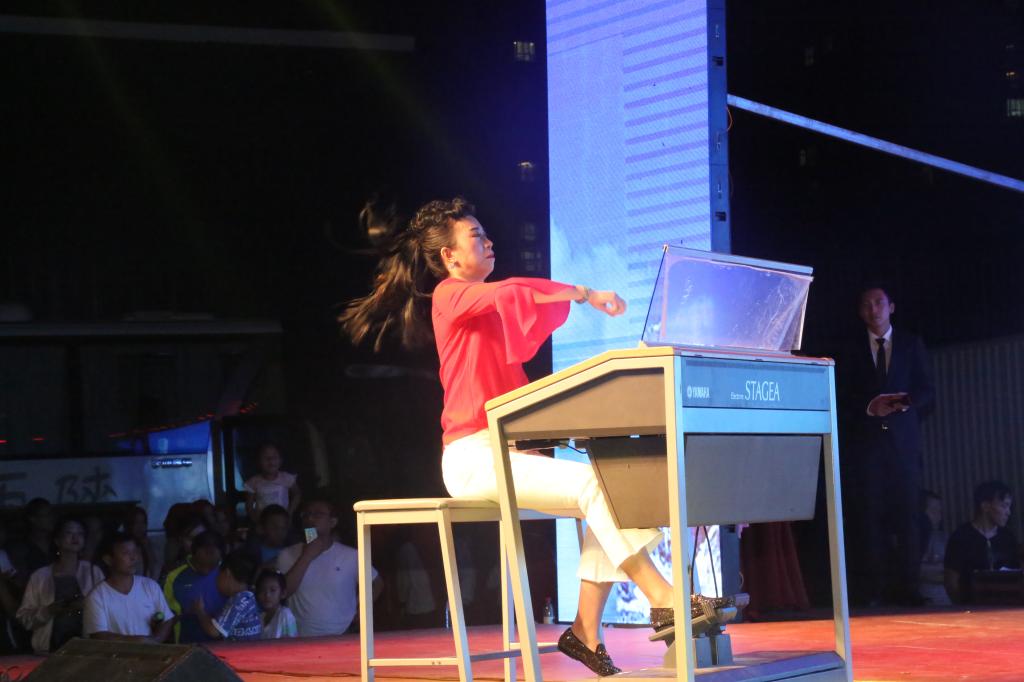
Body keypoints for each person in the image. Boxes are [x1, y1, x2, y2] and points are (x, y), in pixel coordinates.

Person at [340, 197, 742, 676]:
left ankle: (585, 630)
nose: (489, 242)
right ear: (449, 257)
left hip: (503, 454)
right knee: (595, 487)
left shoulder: (488, 311)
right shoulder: (450, 294)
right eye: (476, 237)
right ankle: (665, 598)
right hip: (472, 459)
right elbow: (516, 291)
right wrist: (585, 293)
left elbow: (520, 310)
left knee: (610, 492)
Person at [837, 284, 935, 607]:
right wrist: (869, 407)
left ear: (891, 307)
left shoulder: (911, 343)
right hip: (866, 447)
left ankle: (909, 588)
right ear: (860, 312)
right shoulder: (849, 349)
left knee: (909, 515)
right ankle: (873, 590)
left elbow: (928, 393)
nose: (873, 309)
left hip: (903, 446)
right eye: (866, 304)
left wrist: (905, 403)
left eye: (879, 303)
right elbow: (840, 397)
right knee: (869, 516)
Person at [275, 498, 380, 637]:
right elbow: (283, 592)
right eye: (306, 514)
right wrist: (307, 556)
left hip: (343, 634)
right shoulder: (287, 555)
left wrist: (362, 609)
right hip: (299, 638)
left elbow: (376, 583)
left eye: (318, 514)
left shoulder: (351, 555)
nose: (310, 518)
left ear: (333, 522)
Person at [16, 517, 105, 653]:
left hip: (87, 649)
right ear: (57, 540)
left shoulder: (93, 571)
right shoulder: (40, 576)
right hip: (48, 649)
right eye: (69, 533)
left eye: (80, 533)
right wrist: (49, 610)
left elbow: (108, 608)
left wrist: (86, 605)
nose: (75, 537)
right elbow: (24, 618)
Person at [83, 533, 176, 642]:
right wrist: (140, 641)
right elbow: (99, 635)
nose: (133, 558)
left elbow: (167, 619)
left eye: (135, 552)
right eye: (126, 553)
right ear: (108, 560)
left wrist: (156, 640)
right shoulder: (97, 597)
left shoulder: (150, 586)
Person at [944, 480, 1020, 604]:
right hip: (972, 606)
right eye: (1004, 506)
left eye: (1009, 507)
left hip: (1006, 606)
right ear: (985, 506)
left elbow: (1017, 575)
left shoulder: (1008, 537)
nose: (1008, 512)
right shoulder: (961, 537)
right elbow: (951, 581)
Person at [162, 530, 226, 643]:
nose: (207, 571)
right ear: (194, 553)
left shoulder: (227, 574)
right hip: (185, 645)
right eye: (202, 565)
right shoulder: (175, 577)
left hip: (222, 647)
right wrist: (186, 612)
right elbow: (166, 616)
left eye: (212, 567)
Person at [189, 551, 262, 641]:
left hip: (242, 649)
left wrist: (200, 611)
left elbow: (214, 631)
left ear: (227, 573)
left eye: (219, 575)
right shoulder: (248, 596)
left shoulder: (241, 600)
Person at [244, 443, 301, 523]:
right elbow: (249, 505)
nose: (271, 460)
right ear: (258, 461)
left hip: (283, 521)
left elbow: (297, 494)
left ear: (280, 460)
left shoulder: (286, 478)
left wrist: (290, 512)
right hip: (263, 522)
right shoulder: (253, 482)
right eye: (266, 457)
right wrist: (256, 520)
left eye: (274, 457)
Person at [8, 498, 56, 589]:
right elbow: (21, 582)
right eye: (47, 515)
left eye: (52, 514)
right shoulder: (19, 548)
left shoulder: (58, 543)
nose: (52, 518)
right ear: (32, 519)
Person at [255, 570, 297, 639]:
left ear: (283, 593)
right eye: (262, 590)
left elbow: (291, 643)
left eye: (273, 590)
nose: (267, 595)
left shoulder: (285, 614)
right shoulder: (258, 617)